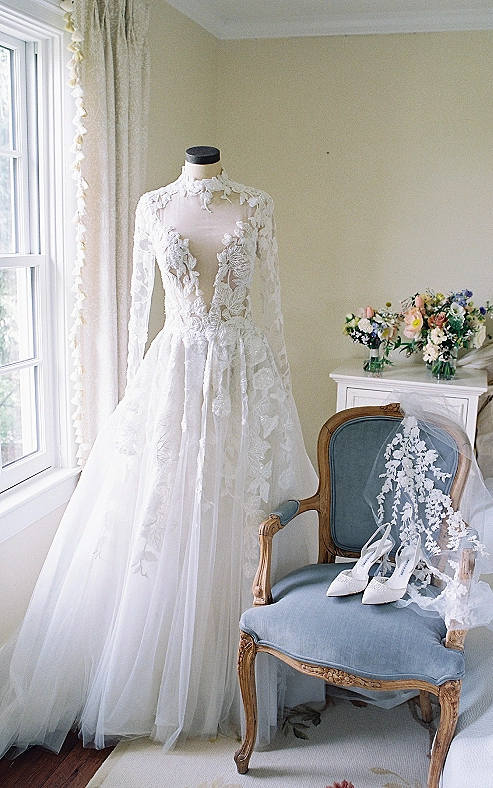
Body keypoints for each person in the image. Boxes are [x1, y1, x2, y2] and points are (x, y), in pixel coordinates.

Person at [0, 146, 322, 757]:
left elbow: (272, 308)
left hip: (241, 378)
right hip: (174, 373)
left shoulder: (255, 204)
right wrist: (133, 399)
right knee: (167, 514)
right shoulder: (153, 207)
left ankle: (240, 672)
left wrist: (279, 383)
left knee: (237, 513)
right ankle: (162, 678)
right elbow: (138, 308)